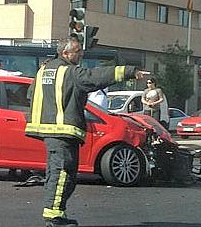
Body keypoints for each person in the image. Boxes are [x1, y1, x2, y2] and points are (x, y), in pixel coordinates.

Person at [25, 36, 144, 227]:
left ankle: (58, 214)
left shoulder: (43, 71)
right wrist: (128, 71)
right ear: (65, 53)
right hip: (62, 131)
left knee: (56, 172)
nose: (81, 54)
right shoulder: (70, 72)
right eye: (77, 51)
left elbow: (30, 95)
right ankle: (53, 217)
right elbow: (95, 77)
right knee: (63, 173)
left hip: (50, 131)